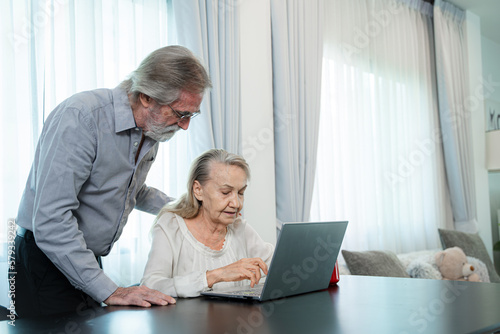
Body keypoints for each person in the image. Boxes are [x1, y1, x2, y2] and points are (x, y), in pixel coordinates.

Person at [14, 45, 211, 317]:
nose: (185, 125)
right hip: (45, 260)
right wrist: (113, 291)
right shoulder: (82, 118)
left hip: (83, 256)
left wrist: (191, 208)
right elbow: (51, 219)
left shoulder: (151, 129)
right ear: (146, 97)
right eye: (180, 114)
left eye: (191, 115)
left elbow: (133, 191)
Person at [141, 149, 274, 297]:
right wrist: (215, 276)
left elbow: (278, 267)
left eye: (240, 193)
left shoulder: (239, 227)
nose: (236, 203)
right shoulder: (171, 226)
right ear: (198, 190)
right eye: (225, 192)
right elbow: (150, 286)